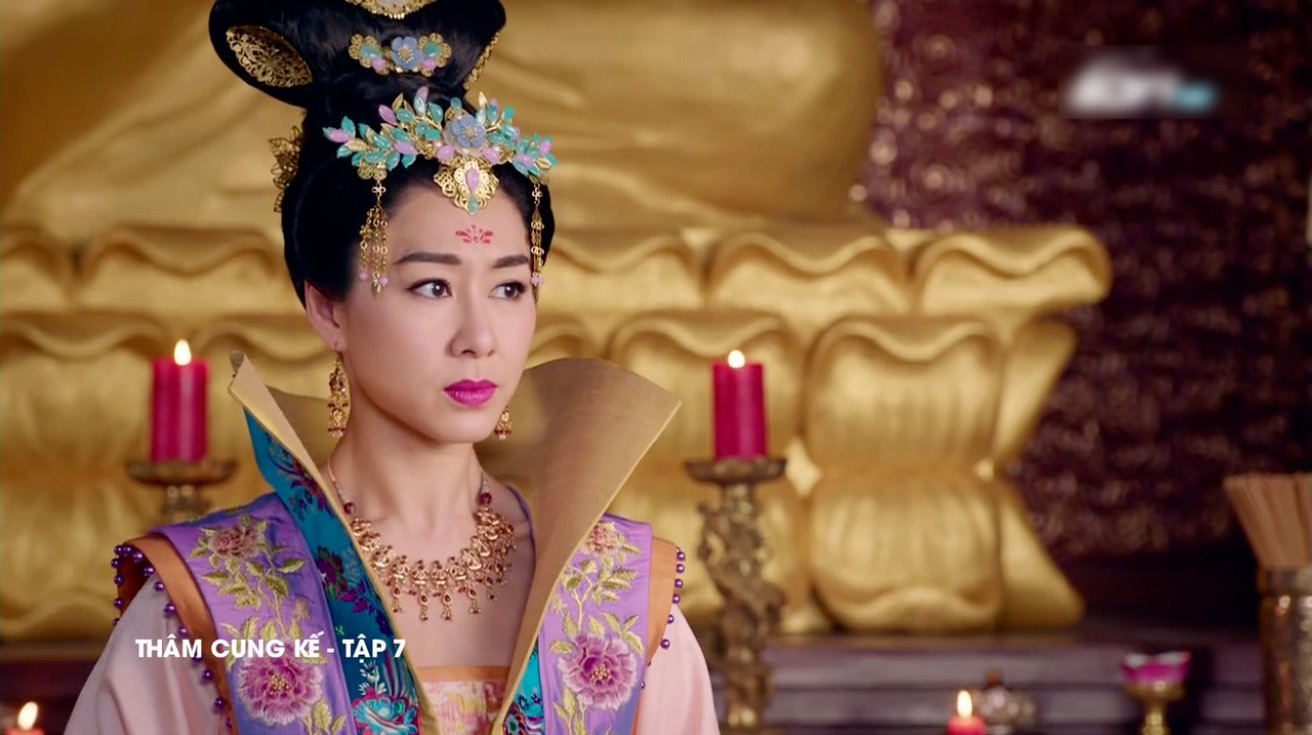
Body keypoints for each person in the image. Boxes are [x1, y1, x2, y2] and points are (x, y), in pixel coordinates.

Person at [66, 1, 718, 733]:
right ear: (328, 308)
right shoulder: (209, 602)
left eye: (509, 287)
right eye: (432, 286)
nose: (480, 337)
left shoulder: (621, 597)